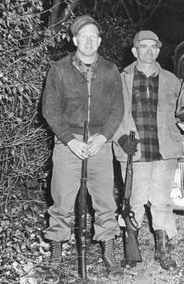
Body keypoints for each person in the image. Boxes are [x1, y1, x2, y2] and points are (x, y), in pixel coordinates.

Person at [42, 15, 124, 278]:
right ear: (75, 40)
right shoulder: (59, 69)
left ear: (99, 41)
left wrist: (102, 138)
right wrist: (70, 140)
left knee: (104, 200)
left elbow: (117, 109)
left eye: (93, 36)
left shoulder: (111, 71)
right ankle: (56, 256)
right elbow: (50, 110)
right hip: (68, 145)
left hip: (100, 143)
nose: (89, 41)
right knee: (62, 200)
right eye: (83, 36)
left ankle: (109, 253)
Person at [113, 30, 184, 271]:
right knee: (133, 202)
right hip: (134, 151)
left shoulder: (173, 81)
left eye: (153, 47)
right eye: (143, 46)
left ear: (158, 50)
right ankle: (131, 253)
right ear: (135, 50)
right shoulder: (120, 79)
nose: (148, 51)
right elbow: (108, 115)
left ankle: (162, 250)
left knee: (162, 201)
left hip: (164, 152)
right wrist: (121, 138)